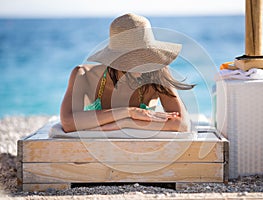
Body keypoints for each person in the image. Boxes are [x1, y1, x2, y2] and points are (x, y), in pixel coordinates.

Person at [60, 13, 195, 133]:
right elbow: (68, 123)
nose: (144, 63)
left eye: (146, 56)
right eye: (135, 58)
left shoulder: (157, 73)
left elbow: (182, 124)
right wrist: (129, 112)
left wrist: (126, 122)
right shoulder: (84, 75)